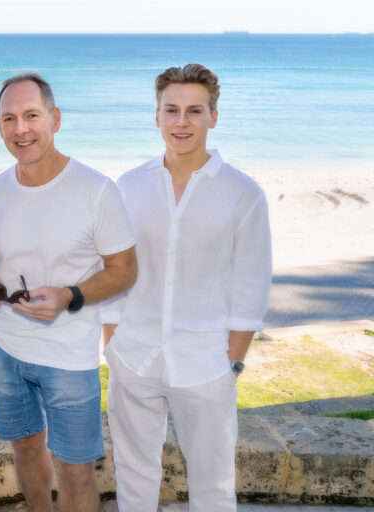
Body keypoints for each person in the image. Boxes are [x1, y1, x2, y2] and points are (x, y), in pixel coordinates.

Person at [101, 63, 272, 511]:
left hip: (206, 363)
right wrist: (112, 341)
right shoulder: (128, 186)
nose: (181, 122)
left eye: (194, 111)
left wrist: (232, 362)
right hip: (134, 357)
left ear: (213, 117)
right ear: (156, 115)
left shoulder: (242, 193)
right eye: (171, 110)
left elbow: (252, 280)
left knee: (214, 486)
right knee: (133, 477)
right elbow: (113, 266)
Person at [0, 74, 138, 512]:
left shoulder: (96, 190)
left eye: (31, 116)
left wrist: (68, 296)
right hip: (5, 347)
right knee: (25, 450)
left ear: (55, 119)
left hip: (69, 357)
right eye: (9, 119)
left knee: (76, 470)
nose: (20, 129)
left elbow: (124, 271)